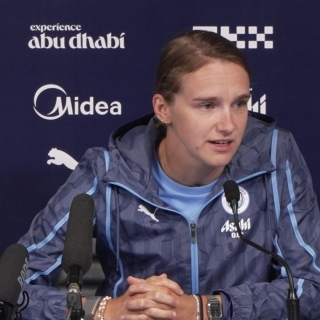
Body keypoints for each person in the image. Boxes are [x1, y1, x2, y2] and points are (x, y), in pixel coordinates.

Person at [18, 30, 320, 320]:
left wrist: (207, 308)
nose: (229, 124)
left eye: (240, 103)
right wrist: (106, 311)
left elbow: (313, 288)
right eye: (207, 105)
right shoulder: (107, 172)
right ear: (163, 109)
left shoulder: (272, 155)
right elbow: (13, 291)